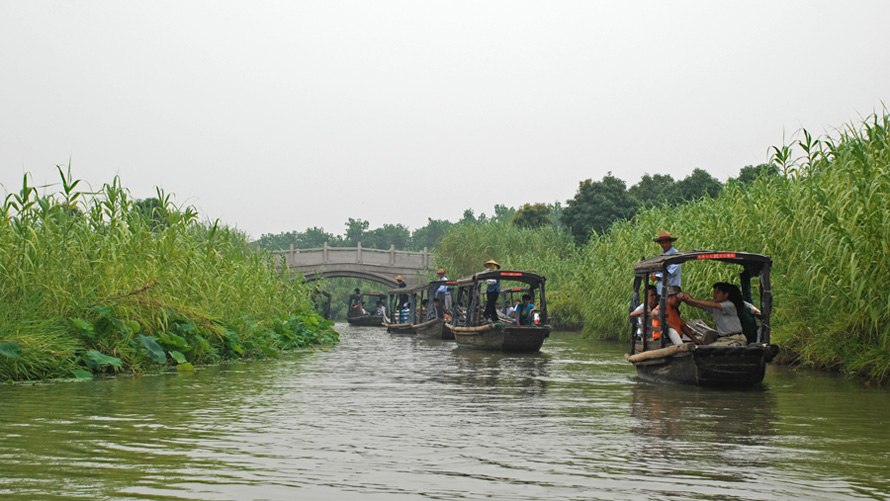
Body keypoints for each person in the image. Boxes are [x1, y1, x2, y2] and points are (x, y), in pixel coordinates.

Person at [679, 282, 750, 345]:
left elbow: (712, 304)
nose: (714, 295)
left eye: (718, 292)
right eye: (714, 292)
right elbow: (696, 304)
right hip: (723, 339)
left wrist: (691, 299)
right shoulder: (717, 307)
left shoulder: (729, 305)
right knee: (709, 334)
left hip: (734, 339)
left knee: (707, 350)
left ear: (726, 295)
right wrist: (685, 299)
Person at [649, 230, 681, 295]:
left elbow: (671, 272)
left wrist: (657, 276)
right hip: (662, 291)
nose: (664, 245)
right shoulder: (662, 256)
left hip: (672, 292)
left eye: (666, 242)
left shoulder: (675, 254)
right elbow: (658, 270)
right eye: (662, 243)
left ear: (670, 242)